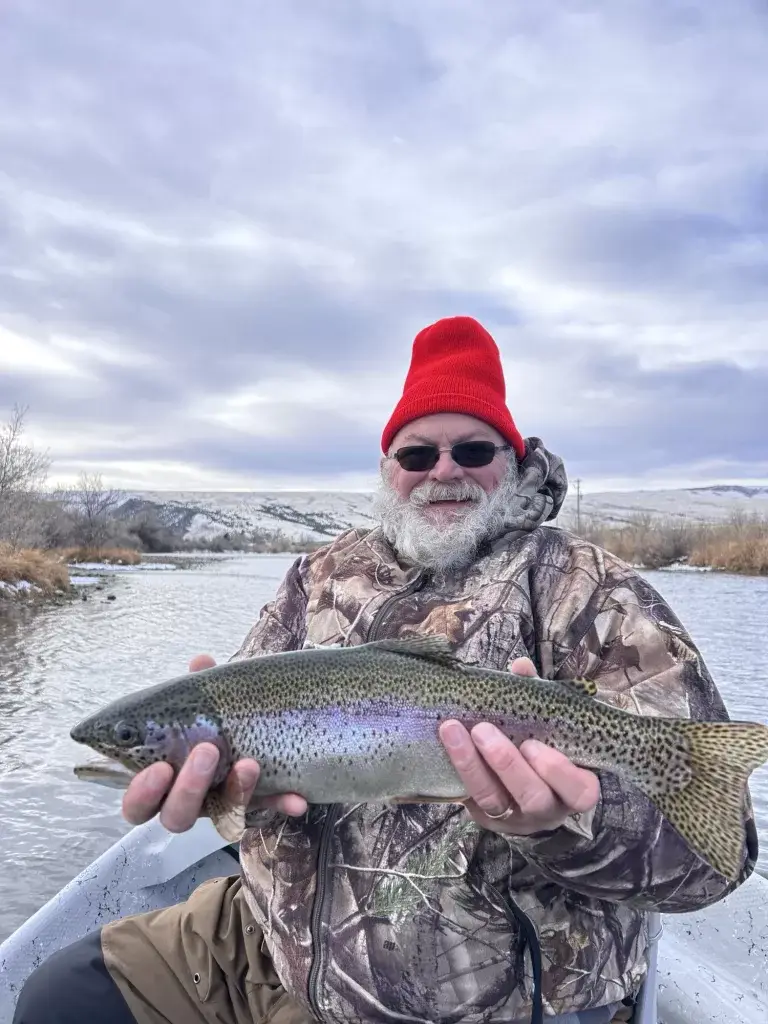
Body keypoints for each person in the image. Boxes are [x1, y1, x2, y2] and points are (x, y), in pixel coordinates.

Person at [14, 316, 758, 1024]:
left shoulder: (590, 590)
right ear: (388, 469)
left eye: (472, 450)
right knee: (58, 998)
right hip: (276, 947)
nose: (444, 472)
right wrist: (226, 800)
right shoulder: (317, 577)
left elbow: (709, 867)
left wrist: (564, 826)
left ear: (512, 462)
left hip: (492, 1000)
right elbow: (251, 780)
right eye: (417, 454)